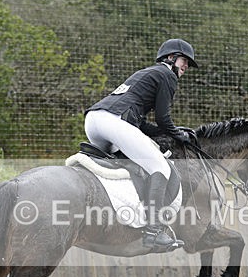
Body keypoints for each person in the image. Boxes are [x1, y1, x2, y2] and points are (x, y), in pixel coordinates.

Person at [84, 38, 197, 252]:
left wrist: (174, 130)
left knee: (133, 165)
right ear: (171, 58)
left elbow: (143, 125)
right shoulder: (167, 75)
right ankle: (154, 232)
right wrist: (177, 133)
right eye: (184, 61)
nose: (186, 66)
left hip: (94, 122)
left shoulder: (148, 73)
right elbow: (164, 119)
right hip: (112, 121)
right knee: (160, 166)